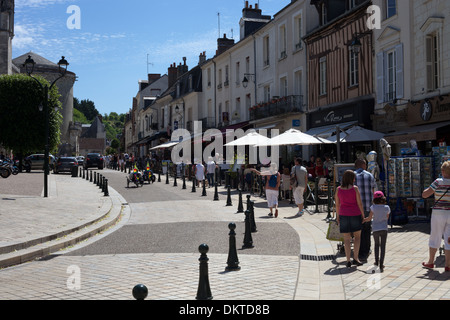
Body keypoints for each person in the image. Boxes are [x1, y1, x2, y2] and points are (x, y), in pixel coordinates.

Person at [422, 161, 450, 273]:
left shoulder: (438, 182)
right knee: (449, 239)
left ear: (443, 171)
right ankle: (448, 264)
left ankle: (430, 261)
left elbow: (425, 194)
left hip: (438, 212)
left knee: (435, 236)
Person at [335, 170, 365, 268]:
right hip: (355, 214)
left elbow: (337, 205)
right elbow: (359, 203)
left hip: (343, 214)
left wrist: (338, 216)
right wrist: (363, 214)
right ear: (352, 179)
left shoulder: (338, 189)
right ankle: (355, 258)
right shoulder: (355, 189)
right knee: (357, 237)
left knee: (346, 239)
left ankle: (348, 260)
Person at [354, 158, 377, 261]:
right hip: (367, 207)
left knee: (357, 230)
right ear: (363, 165)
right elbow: (374, 191)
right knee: (367, 229)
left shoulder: (352, 176)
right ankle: (366, 250)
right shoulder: (370, 175)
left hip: (356, 208)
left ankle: (358, 251)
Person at [364, 191, 390, 273]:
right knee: (383, 246)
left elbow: (369, 218)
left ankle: (376, 261)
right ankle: (381, 264)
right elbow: (387, 218)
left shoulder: (373, 207)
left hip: (375, 229)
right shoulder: (387, 207)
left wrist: (364, 220)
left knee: (376, 245)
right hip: (384, 228)